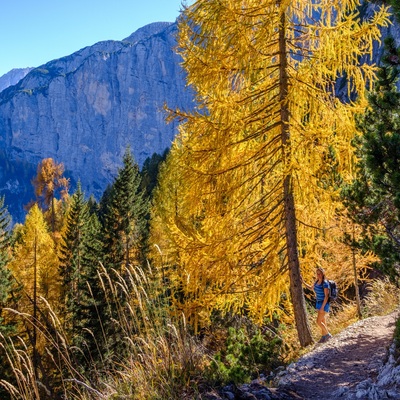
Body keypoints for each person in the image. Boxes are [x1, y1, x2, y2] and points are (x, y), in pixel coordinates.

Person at [301, 267, 332, 343]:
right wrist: (303, 282)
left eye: (320, 273)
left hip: (323, 303)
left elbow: (326, 296)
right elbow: (311, 288)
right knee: (322, 320)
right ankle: (324, 336)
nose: (319, 275)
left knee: (318, 322)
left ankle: (328, 335)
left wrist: (322, 307)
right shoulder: (316, 282)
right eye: (317, 273)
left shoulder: (325, 283)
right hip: (318, 303)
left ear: (323, 274)